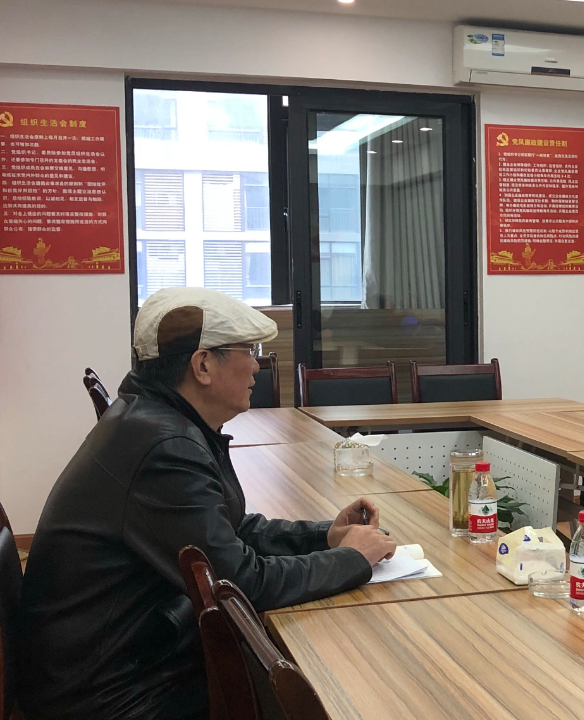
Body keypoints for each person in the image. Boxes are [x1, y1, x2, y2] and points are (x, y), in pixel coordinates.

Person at [17, 288, 396, 720]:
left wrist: (325, 536)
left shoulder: (157, 419)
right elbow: (239, 583)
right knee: (323, 687)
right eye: (248, 351)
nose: (257, 365)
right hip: (107, 694)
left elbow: (229, 530)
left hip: (122, 657)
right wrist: (351, 559)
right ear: (202, 366)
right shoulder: (164, 446)